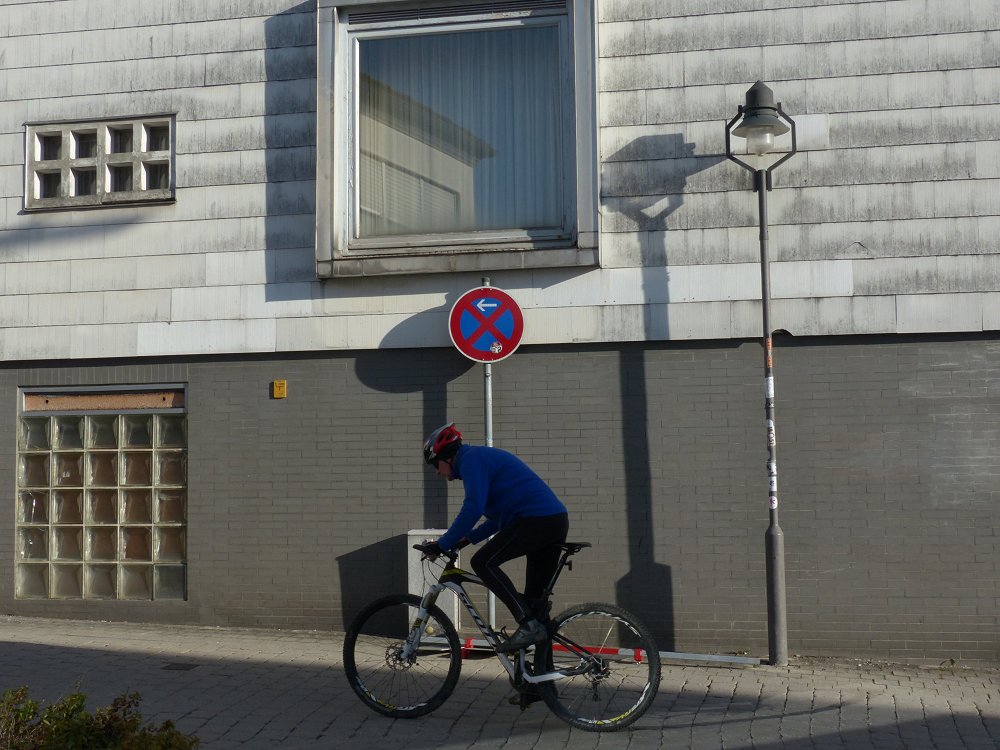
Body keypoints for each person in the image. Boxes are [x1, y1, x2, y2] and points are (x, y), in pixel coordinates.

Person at [421, 422, 568, 652]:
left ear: (446, 456)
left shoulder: (470, 459)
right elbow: (498, 520)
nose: (438, 473)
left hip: (536, 521)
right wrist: (465, 539)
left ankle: (526, 624)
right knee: (535, 609)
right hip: (551, 521)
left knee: (482, 562)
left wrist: (443, 543)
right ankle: (538, 684)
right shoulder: (477, 460)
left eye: (435, 465)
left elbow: (473, 507)